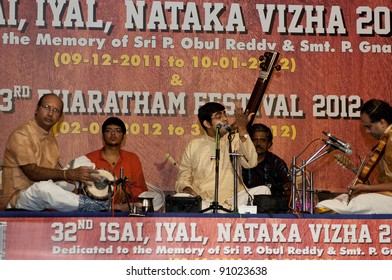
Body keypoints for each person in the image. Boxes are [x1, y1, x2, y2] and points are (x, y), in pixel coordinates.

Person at [0, 93, 108, 212]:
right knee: (44, 188)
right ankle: (90, 205)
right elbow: (32, 173)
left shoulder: (50, 137)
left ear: (60, 117)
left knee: (84, 162)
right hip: (19, 196)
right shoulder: (21, 135)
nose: (50, 113)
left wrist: (73, 179)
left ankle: (92, 195)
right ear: (36, 109)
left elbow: (54, 171)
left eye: (56, 110)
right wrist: (67, 175)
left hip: (47, 189)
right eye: (47, 107)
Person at [175, 102, 269, 211]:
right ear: (207, 123)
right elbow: (182, 179)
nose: (225, 119)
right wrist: (189, 191)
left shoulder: (235, 139)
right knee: (180, 197)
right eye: (219, 117)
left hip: (234, 201)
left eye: (225, 115)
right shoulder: (193, 146)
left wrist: (242, 129)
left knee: (264, 190)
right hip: (204, 202)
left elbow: (251, 163)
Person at [315, 99, 392, 214]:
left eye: (369, 126)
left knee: (327, 207)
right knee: (341, 200)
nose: (367, 131)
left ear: (382, 122)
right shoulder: (384, 141)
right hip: (386, 197)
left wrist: (366, 189)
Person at [85, 117, 149, 209]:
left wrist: (123, 192)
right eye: (108, 130)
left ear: (123, 136)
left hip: (126, 212)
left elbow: (141, 190)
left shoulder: (132, 159)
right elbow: (82, 191)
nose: (113, 134)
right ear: (103, 135)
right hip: (97, 211)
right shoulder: (89, 158)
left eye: (118, 130)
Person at [242, 123, 291, 196]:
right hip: (245, 204)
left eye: (263, 140)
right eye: (255, 140)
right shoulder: (242, 161)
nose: (258, 143)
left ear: (269, 144)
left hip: (271, 205)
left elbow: (287, 184)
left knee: (265, 190)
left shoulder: (276, 163)